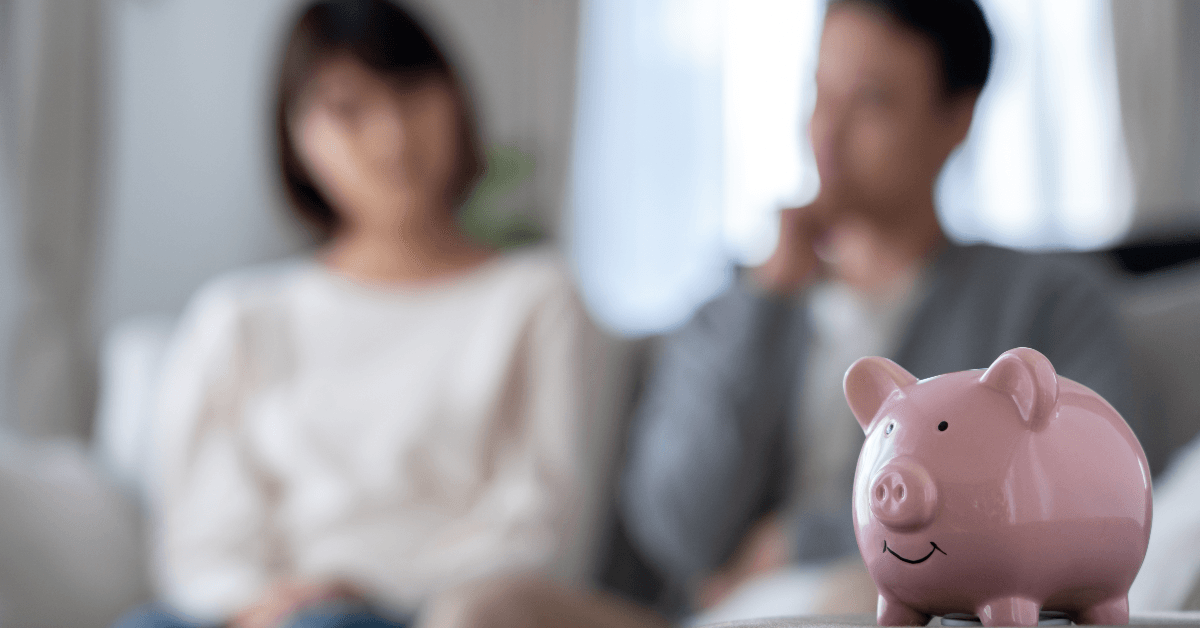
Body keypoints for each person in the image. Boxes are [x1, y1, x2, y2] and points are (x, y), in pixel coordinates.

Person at [113, 1, 623, 626]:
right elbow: (200, 542)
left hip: (425, 612)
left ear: (456, 101)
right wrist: (255, 604)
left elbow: (545, 529)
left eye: (411, 93)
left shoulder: (538, 298)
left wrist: (351, 590)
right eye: (348, 110)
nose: (392, 134)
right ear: (296, 140)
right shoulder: (239, 318)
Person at [621, 0, 1135, 619]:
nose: (825, 132)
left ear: (956, 119)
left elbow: (1104, 501)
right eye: (818, 92)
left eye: (872, 100)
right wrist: (767, 301)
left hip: (897, 601)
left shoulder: (1048, 302)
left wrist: (800, 542)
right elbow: (679, 530)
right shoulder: (734, 308)